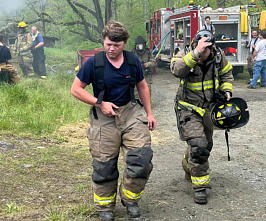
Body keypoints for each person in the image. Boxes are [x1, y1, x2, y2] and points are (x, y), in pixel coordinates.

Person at [71, 21, 156, 221]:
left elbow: (142, 87)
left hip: (130, 112)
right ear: (104, 41)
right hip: (104, 116)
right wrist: (99, 103)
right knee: (104, 166)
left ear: (124, 43)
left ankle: (130, 198)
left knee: (141, 159)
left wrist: (150, 114)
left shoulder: (132, 61)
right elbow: (76, 89)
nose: (111, 48)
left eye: (116, 45)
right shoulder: (94, 63)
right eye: (108, 44)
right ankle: (105, 207)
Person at [170, 30, 233, 204]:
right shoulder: (184, 54)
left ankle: (187, 163)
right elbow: (176, 70)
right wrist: (195, 54)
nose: (205, 54)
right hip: (188, 109)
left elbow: (227, 74)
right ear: (196, 44)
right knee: (198, 146)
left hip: (209, 109)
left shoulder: (218, 56)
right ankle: (200, 188)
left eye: (207, 50)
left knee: (206, 145)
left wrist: (227, 90)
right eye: (202, 49)